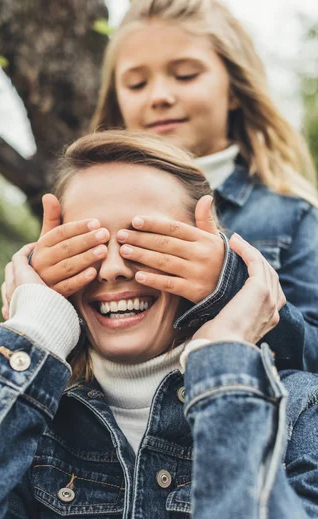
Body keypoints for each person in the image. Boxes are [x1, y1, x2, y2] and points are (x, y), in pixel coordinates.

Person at [0, 131, 318, 519]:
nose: (110, 268)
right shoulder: (36, 428)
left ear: (208, 252)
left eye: (145, 241)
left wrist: (224, 355)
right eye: (84, 245)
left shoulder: (299, 412)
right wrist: (34, 331)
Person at [85, 0, 318, 372]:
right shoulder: (87, 207)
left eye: (186, 75)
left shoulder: (290, 215)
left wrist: (229, 284)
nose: (159, 96)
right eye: (137, 83)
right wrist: (37, 288)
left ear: (235, 89)